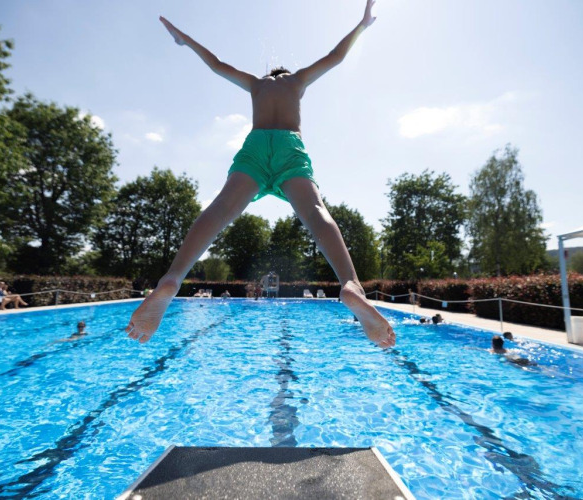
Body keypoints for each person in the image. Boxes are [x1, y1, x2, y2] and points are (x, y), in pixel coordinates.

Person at [126, 0, 394, 348]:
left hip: (255, 147)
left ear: (270, 76)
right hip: (288, 148)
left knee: (220, 209)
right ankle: (350, 285)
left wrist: (185, 40)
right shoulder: (296, 81)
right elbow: (335, 56)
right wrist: (361, 25)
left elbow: (216, 64)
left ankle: (172, 280)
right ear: (286, 75)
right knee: (315, 212)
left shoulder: (256, 84)